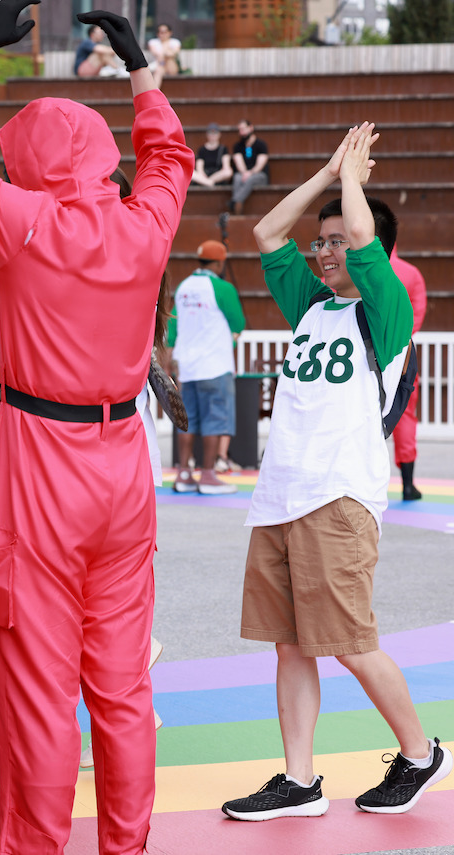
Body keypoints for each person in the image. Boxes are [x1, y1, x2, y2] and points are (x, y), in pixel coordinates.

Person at [0, 2, 192, 851]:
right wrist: (139, 65)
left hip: (44, 463)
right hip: (125, 467)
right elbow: (171, 154)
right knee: (121, 688)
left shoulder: (23, 224)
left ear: (30, 162)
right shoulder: (147, 224)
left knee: (37, 688)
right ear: (102, 155)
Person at [223, 123, 451, 821]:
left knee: (350, 642)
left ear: (366, 249)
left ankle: (418, 752)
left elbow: (361, 236)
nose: (322, 251)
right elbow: (264, 232)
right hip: (282, 496)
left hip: (338, 496)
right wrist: (326, 174)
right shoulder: (313, 305)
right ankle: (299, 780)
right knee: (290, 644)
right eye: (319, 242)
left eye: (334, 242)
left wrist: (353, 180)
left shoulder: (382, 311)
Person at [167, 239, 245, 494]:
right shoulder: (222, 288)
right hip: (214, 365)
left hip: (187, 366)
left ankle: (183, 474)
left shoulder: (183, 287)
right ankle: (209, 476)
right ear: (220, 262)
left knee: (188, 421)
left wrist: (170, 360)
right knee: (215, 420)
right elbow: (238, 322)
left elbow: (174, 329)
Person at [388, 245, 426, 500]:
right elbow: (417, 315)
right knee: (405, 418)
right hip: (402, 355)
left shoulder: (350, 269)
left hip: (360, 353)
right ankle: (408, 484)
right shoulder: (411, 273)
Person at [230, 119, 269, 215]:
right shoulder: (237, 146)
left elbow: (260, 165)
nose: (241, 132)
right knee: (237, 177)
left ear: (251, 128)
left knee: (250, 179)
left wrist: (250, 173)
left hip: (259, 175)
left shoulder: (261, 145)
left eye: (243, 129)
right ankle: (237, 212)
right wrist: (245, 173)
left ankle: (234, 201)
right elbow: (239, 163)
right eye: (239, 130)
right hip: (244, 174)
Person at [192, 122, 233, 187]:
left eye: (215, 133)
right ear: (207, 135)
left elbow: (226, 166)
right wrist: (203, 175)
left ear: (219, 134)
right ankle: (208, 182)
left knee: (228, 172)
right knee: (192, 173)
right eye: (210, 133)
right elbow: (199, 168)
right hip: (204, 175)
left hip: (218, 176)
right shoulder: (202, 149)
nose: (213, 135)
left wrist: (211, 179)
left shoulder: (223, 149)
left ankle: (208, 182)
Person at [147, 22, 181, 88]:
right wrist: (168, 51)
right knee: (159, 69)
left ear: (170, 33)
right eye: (161, 32)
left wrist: (166, 46)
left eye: (165, 32)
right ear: (157, 33)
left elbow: (174, 54)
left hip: (171, 66)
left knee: (169, 59)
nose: (163, 34)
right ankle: (155, 92)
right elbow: (157, 54)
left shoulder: (175, 42)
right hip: (159, 66)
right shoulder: (153, 42)